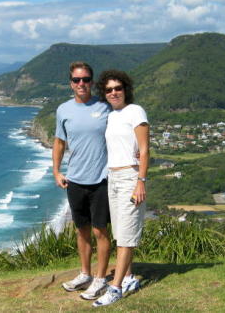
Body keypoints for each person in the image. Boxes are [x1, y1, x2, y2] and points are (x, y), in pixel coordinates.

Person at [52, 61, 112, 300]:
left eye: (86, 79)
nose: (81, 84)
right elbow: (59, 142)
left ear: (92, 82)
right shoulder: (63, 110)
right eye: (77, 80)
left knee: (100, 231)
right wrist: (56, 172)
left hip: (101, 179)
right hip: (75, 179)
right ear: (71, 83)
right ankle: (85, 274)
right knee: (81, 230)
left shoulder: (106, 106)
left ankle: (100, 279)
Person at [92, 69, 149, 307]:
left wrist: (140, 182)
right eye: (109, 90)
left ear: (126, 89)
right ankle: (128, 277)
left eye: (118, 88)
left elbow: (144, 149)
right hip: (113, 177)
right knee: (120, 233)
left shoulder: (135, 111)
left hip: (130, 176)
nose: (114, 92)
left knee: (126, 237)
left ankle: (115, 289)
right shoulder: (112, 115)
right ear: (104, 94)